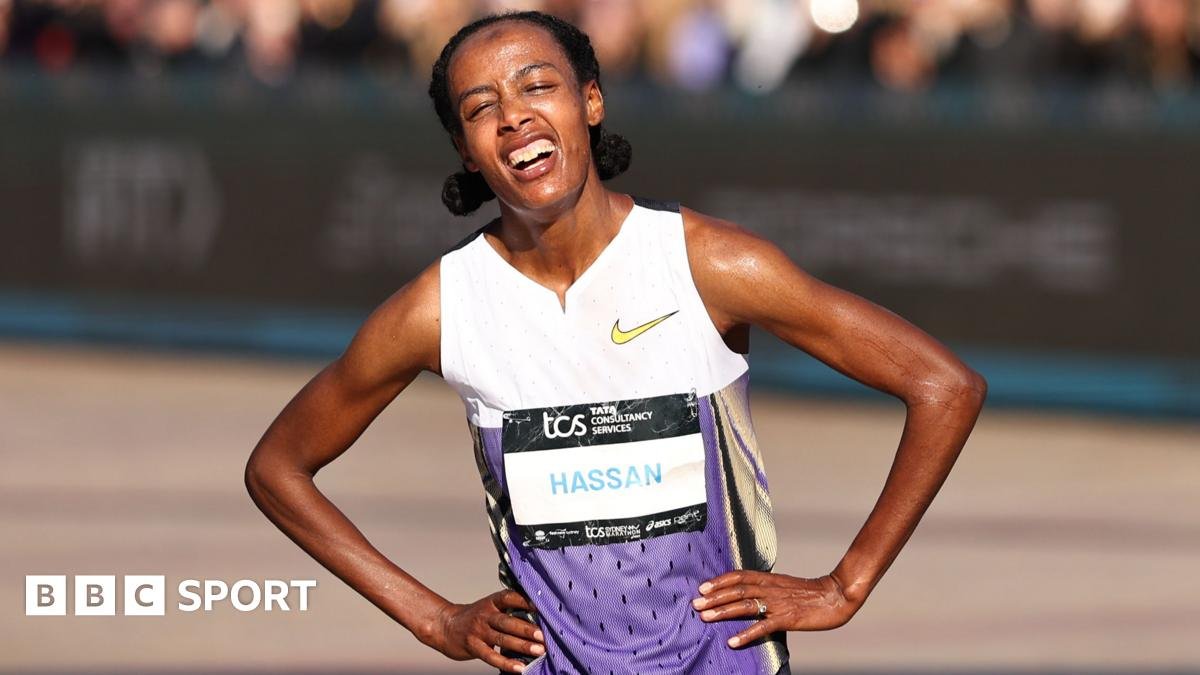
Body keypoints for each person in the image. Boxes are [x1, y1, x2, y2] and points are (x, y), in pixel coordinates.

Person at [244, 10, 987, 675]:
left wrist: (845, 585)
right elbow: (278, 468)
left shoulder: (707, 263)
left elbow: (944, 386)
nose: (513, 117)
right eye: (481, 107)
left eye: (538, 86)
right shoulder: (442, 307)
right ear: (466, 150)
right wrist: (434, 619)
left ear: (591, 101)